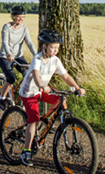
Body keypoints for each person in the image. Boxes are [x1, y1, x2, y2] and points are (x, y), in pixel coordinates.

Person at [18, 29, 84, 166]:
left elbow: (65, 76)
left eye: (57, 48)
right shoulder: (37, 59)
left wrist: (77, 88)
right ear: (44, 46)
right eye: (52, 47)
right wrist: (41, 85)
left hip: (42, 90)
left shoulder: (55, 60)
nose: (55, 50)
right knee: (33, 120)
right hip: (30, 92)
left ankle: (48, 119)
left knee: (60, 98)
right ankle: (26, 151)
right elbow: (36, 74)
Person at [0, 5, 35, 109]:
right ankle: (2, 98)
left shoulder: (24, 28)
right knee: (11, 78)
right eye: (19, 17)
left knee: (28, 74)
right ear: (13, 17)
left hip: (18, 56)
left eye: (23, 17)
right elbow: (5, 42)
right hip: (5, 56)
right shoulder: (7, 27)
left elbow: (29, 42)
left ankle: (25, 97)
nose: (21, 19)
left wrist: (37, 55)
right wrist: (9, 54)